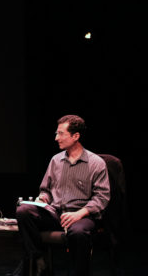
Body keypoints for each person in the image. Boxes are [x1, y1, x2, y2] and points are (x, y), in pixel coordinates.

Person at [12, 115, 110, 276]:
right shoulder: (56, 161)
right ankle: (38, 261)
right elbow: (46, 190)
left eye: (61, 133)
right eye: (56, 133)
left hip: (81, 215)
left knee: (78, 233)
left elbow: (102, 197)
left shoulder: (96, 163)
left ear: (75, 136)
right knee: (23, 211)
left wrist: (79, 213)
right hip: (55, 213)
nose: (56, 138)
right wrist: (43, 198)